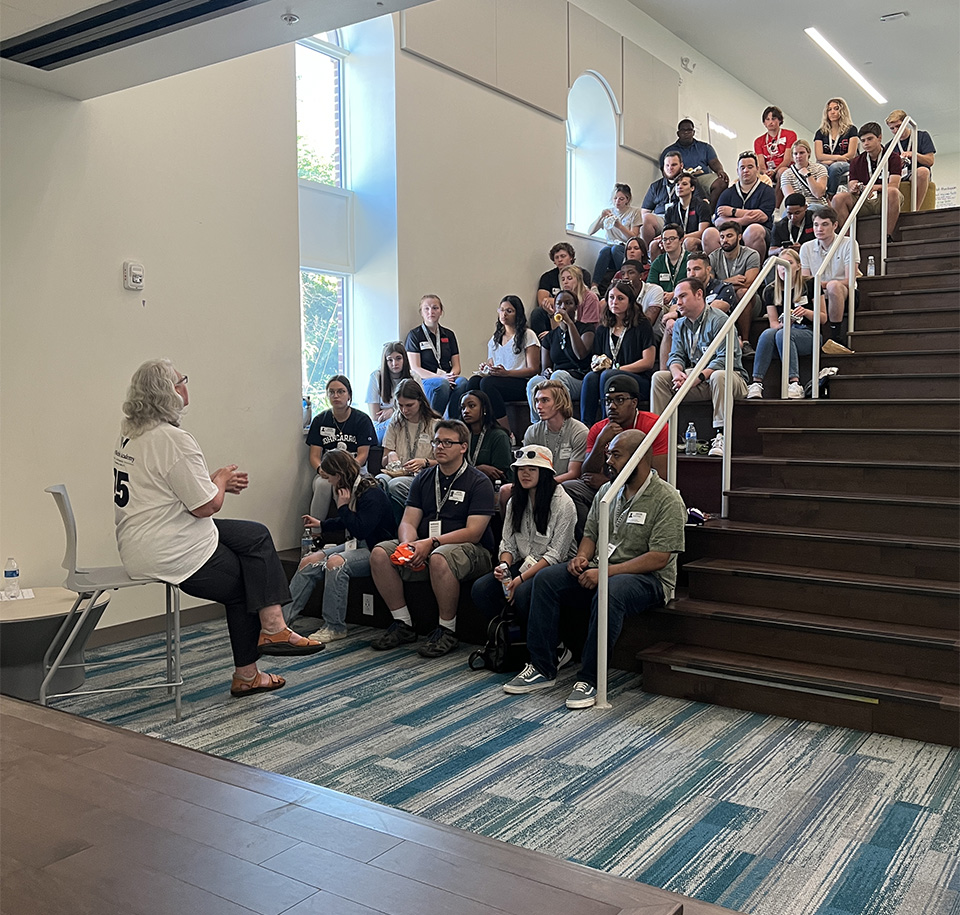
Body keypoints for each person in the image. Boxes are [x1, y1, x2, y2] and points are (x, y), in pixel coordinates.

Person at [113, 360, 322, 699]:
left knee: (255, 535)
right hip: (169, 545)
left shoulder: (133, 432)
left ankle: (274, 627)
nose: (185, 385)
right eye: (181, 380)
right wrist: (220, 481)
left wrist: (212, 482)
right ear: (169, 392)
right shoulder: (173, 440)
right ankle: (249, 671)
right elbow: (206, 506)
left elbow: (168, 489)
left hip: (143, 536)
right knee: (244, 584)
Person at [503, 429, 686, 709]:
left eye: (616, 454)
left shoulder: (667, 498)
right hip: (601, 568)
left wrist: (605, 573)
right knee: (547, 579)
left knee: (610, 591)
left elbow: (658, 558)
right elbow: (590, 534)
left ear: (640, 457)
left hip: (649, 580)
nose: (608, 460)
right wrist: (583, 558)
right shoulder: (607, 490)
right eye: (608, 453)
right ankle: (542, 666)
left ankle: (590, 678)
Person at [369, 419, 495, 657]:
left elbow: (474, 532)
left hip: (471, 550)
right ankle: (403, 623)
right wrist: (408, 544)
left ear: (463, 447)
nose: (440, 447)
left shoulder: (478, 481)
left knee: (439, 557)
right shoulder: (424, 478)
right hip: (427, 544)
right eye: (437, 441)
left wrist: (432, 543)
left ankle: (447, 630)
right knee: (379, 553)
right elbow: (408, 521)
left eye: (448, 442)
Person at [284, 450, 395, 643]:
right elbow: (349, 522)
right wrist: (321, 524)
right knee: (309, 561)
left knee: (336, 563)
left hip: (377, 548)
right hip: (358, 544)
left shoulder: (372, 493)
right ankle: (282, 622)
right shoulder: (351, 488)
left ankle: (334, 626)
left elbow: (361, 529)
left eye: (329, 478)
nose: (329, 482)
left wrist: (343, 507)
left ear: (339, 475)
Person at [471, 445, 577, 628]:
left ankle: (554, 644)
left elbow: (555, 555)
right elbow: (508, 544)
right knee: (481, 589)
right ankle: (507, 636)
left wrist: (520, 579)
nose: (525, 474)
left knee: (523, 592)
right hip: (525, 562)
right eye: (521, 469)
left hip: (553, 567)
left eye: (532, 469)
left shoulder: (563, 503)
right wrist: (504, 566)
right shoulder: (515, 501)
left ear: (544, 473)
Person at [651, 277, 749, 458]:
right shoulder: (680, 324)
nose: (678, 302)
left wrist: (697, 378)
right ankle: (659, 437)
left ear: (699, 295)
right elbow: (676, 356)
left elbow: (724, 359)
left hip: (730, 378)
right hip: (698, 379)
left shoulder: (720, 320)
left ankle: (721, 434)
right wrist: (677, 373)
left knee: (719, 375)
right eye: (676, 299)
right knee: (659, 377)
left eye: (683, 297)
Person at [563, 374, 669, 534]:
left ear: (634, 403)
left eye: (619, 400)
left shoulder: (655, 426)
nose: (612, 406)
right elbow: (587, 472)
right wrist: (600, 442)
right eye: (608, 401)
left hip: (640, 491)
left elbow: (660, 475)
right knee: (569, 488)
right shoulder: (599, 429)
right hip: (604, 489)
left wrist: (609, 483)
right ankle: (590, 539)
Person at [747, 248, 825, 401]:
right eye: (781, 265)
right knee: (768, 333)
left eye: (789, 263)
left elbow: (823, 318)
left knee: (784, 334)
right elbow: (773, 323)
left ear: (798, 266)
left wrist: (807, 313)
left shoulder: (810, 284)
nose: (784, 269)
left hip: (809, 333)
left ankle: (794, 383)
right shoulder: (770, 291)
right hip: (783, 335)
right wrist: (784, 323)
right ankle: (756, 383)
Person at [581, 281, 656, 427]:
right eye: (611, 298)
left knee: (608, 375)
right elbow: (597, 356)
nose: (614, 302)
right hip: (609, 375)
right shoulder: (603, 328)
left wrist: (618, 370)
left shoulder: (642, 324)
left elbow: (648, 362)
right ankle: (586, 427)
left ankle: (607, 423)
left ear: (630, 301)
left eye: (620, 298)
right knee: (590, 377)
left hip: (638, 380)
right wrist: (597, 364)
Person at [506, 380, 588, 508]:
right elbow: (525, 464)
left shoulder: (579, 431)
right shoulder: (532, 431)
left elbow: (574, 473)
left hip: (564, 484)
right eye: (537, 401)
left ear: (560, 402)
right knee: (505, 491)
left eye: (544, 400)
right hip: (536, 482)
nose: (538, 406)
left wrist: (545, 485)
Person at [464, 295, 540, 434]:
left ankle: (506, 432)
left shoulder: (528, 335)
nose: (504, 314)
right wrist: (486, 368)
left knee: (488, 384)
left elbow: (533, 369)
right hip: (499, 380)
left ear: (518, 313)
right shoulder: (495, 338)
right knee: (473, 382)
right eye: (502, 310)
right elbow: (492, 362)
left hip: (520, 382)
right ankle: (473, 430)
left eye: (509, 311)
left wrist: (507, 373)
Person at [306, 375, 377, 521]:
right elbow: (314, 455)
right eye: (331, 392)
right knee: (321, 485)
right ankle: (315, 532)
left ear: (349, 394)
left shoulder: (362, 420)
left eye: (341, 391)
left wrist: (346, 472)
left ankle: (351, 535)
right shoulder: (320, 420)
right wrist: (321, 470)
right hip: (328, 471)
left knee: (350, 486)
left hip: (355, 470)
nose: (336, 396)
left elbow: (363, 455)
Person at [658, 252, 736, 370]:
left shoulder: (723, 287)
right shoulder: (685, 287)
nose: (692, 274)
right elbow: (674, 307)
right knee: (670, 328)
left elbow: (714, 309)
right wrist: (670, 319)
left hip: (713, 331)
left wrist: (676, 314)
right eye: (689, 270)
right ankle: (666, 372)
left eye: (697, 269)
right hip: (690, 328)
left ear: (708, 269)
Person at [377, 378, 442, 519]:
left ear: (420, 401)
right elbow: (383, 462)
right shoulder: (396, 421)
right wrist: (390, 456)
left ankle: (400, 527)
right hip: (398, 473)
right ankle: (386, 529)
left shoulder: (434, 424)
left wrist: (424, 462)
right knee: (379, 481)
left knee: (395, 485)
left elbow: (445, 463)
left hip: (424, 476)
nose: (404, 410)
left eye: (409, 405)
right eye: (400, 405)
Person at [525, 290, 594, 421]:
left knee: (559, 375)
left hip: (578, 379)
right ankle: (537, 425)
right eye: (559, 304)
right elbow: (546, 368)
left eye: (568, 303)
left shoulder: (586, 329)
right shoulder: (550, 336)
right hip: (556, 380)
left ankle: (562, 422)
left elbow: (581, 354)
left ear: (576, 307)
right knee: (534, 382)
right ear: (555, 308)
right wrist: (547, 372)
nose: (563, 307)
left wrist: (570, 324)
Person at [833, 123, 903, 241]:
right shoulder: (856, 161)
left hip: (883, 198)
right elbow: (851, 184)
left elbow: (894, 185)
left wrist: (873, 187)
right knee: (838, 199)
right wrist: (854, 187)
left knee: (892, 192)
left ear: (879, 138)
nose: (866, 143)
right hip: (862, 199)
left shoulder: (893, 157)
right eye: (863, 140)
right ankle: (849, 241)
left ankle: (887, 236)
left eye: (870, 139)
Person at [799, 207, 860, 344]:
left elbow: (850, 280)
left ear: (835, 225)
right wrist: (818, 287)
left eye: (825, 224)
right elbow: (806, 280)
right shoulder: (806, 247)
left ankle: (835, 335)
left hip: (846, 293)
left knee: (833, 286)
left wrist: (823, 285)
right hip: (818, 294)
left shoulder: (849, 243)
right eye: (816, 224)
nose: (819, 229)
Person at [405, 294, 470, 417]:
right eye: (427, 308)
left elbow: (456, 365)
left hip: (447, 377)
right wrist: (441, 378)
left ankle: (453, 421)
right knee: (442, 385)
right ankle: (433, 421)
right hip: (426, 379)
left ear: (441, 311)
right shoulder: (415, 335)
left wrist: (450, 375)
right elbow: (415, 368)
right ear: (421, 312)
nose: (431, 312)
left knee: (463, 382)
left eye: (435, 308)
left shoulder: (449, 334)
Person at [704, 151, 776, 260]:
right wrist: (743, 220)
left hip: (759, 233)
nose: (746, 170)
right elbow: (718, 221)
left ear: (757, 169)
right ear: (737, 171)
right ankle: (719, 273)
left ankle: (754, 272)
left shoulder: (767, 191)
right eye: (742, 167)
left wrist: (732, 212)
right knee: (709, 233)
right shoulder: (727, 193)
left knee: (753, 230)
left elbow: (762, 216)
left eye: (750, 167)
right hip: (731, 233)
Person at [708, 222, 761, 349]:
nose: (725, 240)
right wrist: (729, 282)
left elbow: (748, 283)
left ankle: (746, 342)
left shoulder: (751, 254)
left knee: (742, 292)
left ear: (739, 237)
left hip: (750, 301)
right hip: (722, 298)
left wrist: (721, 284)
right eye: (722, 237)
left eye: (729, 236)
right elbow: (709, 286)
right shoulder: (713, 257)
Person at [661, 119, 729, 210]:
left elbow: (714, 162)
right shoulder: (669, 151)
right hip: (680, 180)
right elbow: (664, 170)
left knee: (722, 182)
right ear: (678, 133)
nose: (686, 133)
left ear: (693, 132)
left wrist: (720, 171)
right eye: (683, 131)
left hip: (701, 177)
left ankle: (710, 212)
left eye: (689, 130)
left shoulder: (705, 147)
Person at [587, 183, 642, 295]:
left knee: (615, 249)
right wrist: (600, 217)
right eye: (615, 198)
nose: (618, 202)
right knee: (605, 250)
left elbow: (634, 237)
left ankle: (624, 277)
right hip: (610, 249)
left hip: (624, 248)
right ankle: (594, 286)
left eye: (621, 199)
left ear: (627, 199)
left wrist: (619, 226)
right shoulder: (609, 212)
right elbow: (590, 231)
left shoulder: (634, 212)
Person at [366, 342, 417, 442]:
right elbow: (375, 416)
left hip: (408, 420)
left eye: (398, 358)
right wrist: (396, 415)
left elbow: (419, 407)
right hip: (382, 425)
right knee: (397, 424)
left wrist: (393, 411)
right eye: (390, 360)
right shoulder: (376, 377)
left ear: (404, 359)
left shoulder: (414, 377)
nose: (394, 363)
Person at [459, 390, 513, 484]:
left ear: (484, 409)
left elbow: (499, 472)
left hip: (494, 485)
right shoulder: (460, 436)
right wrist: (478, 469)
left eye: (471, 406)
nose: (466, 411)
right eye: (463, 407)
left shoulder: (499, 436)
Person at [885, 109, 936, 208]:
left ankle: (915, 209)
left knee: (923, 171)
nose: (896, 130)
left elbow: (930, 161)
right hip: (899, 175)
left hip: (917, 173)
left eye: (898, 126)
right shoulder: (889, 146)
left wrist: (914, 155)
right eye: (892, 128)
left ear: (906, 123)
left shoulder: (922, 136)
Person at [640, 150, 685, 254]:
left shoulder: (689, 183)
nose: (670, 168)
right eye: (667, 165)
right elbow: (644, 211)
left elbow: (703, 203)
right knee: (646, 219)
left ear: (681, 165)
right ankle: (647, 255)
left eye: (674, 165)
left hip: (680, 218)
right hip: (661, 219)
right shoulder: (655, 186)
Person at [753, 106, 797, 209]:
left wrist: (774, 171)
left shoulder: (790, 135)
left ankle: (775, 209)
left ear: (780, 120)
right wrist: (765, 172)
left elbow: (787, 159)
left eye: (773, 118)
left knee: (783, 172)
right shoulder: (759, 141)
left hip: (784, 168)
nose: (770, 122)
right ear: (764, 122)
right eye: (767, 119)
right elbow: (761, 162)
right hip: (768, 170)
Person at [813, 97, 859, 197]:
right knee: (820, 168)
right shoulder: (821, 132)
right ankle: (819, 195)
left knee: (835, 167)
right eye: (829, 109)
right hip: (827, 163)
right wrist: (838, 158)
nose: (832, 112)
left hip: (846, 163)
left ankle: (830, 195)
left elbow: (851, 154)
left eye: (836, 108)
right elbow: (819, 156)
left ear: (842, 111)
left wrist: (834, 161)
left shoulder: (851, 130)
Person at [536, 242, 592, 313]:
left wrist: (558, 301)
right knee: (537, 312)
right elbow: (543, 301)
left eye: (563, 256)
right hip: (554, 311)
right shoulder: (547, 277)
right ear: (554, 262)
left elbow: (584, 298)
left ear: (571, 257)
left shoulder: (583, 274)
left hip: (577, 310)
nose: (559, 260)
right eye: (556, 257)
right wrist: (564, 303)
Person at [663, 172, 711, 251]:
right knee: (654, 244)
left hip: (696, 240)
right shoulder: (670, 210)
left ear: (692, 188)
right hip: (677, 240)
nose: (680, 187)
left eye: (684, 184)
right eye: (677, 185)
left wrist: (680, 239)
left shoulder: (702, 205)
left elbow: (702, 232)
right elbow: (666, 232)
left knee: (688, 242)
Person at [780, 140, 828, 212]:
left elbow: (818, 194)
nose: (798, 156)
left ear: (808, 153)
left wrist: (808, 175)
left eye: (802, 153)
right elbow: (791, 200)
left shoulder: (820, 168)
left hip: (818, 205)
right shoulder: (786, 174)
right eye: (795, 154)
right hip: (797, 208)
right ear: (792, 156)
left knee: (812, 210)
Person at [647, 224, 689, 306]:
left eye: (672, 239)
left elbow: (694, 285)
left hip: (685, 301)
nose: (668, 242)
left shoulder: (690, 259)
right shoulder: (658, 262)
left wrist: (674, 294)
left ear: (681, 240)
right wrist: (661, 295)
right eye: (665, 239)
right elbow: (651, 286)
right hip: (662, 302)